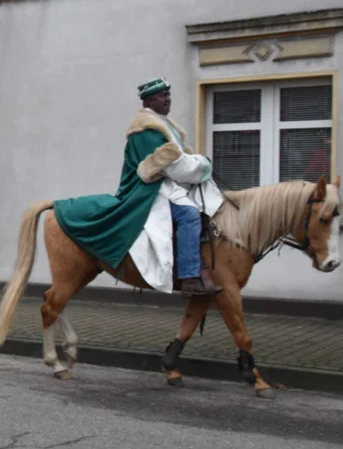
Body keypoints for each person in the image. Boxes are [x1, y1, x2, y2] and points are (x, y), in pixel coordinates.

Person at [53, 78, 222, 296]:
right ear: (150, 100)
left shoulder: (163, 125)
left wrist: (196, 164)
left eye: (168, 95)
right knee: (189, 215)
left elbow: (178, 163)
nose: (168, 100)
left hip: (164, 185)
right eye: (163, 96)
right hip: (148, 190)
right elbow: (173, 167)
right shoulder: (148, 130)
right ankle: (189, 276)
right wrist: (203, 164)